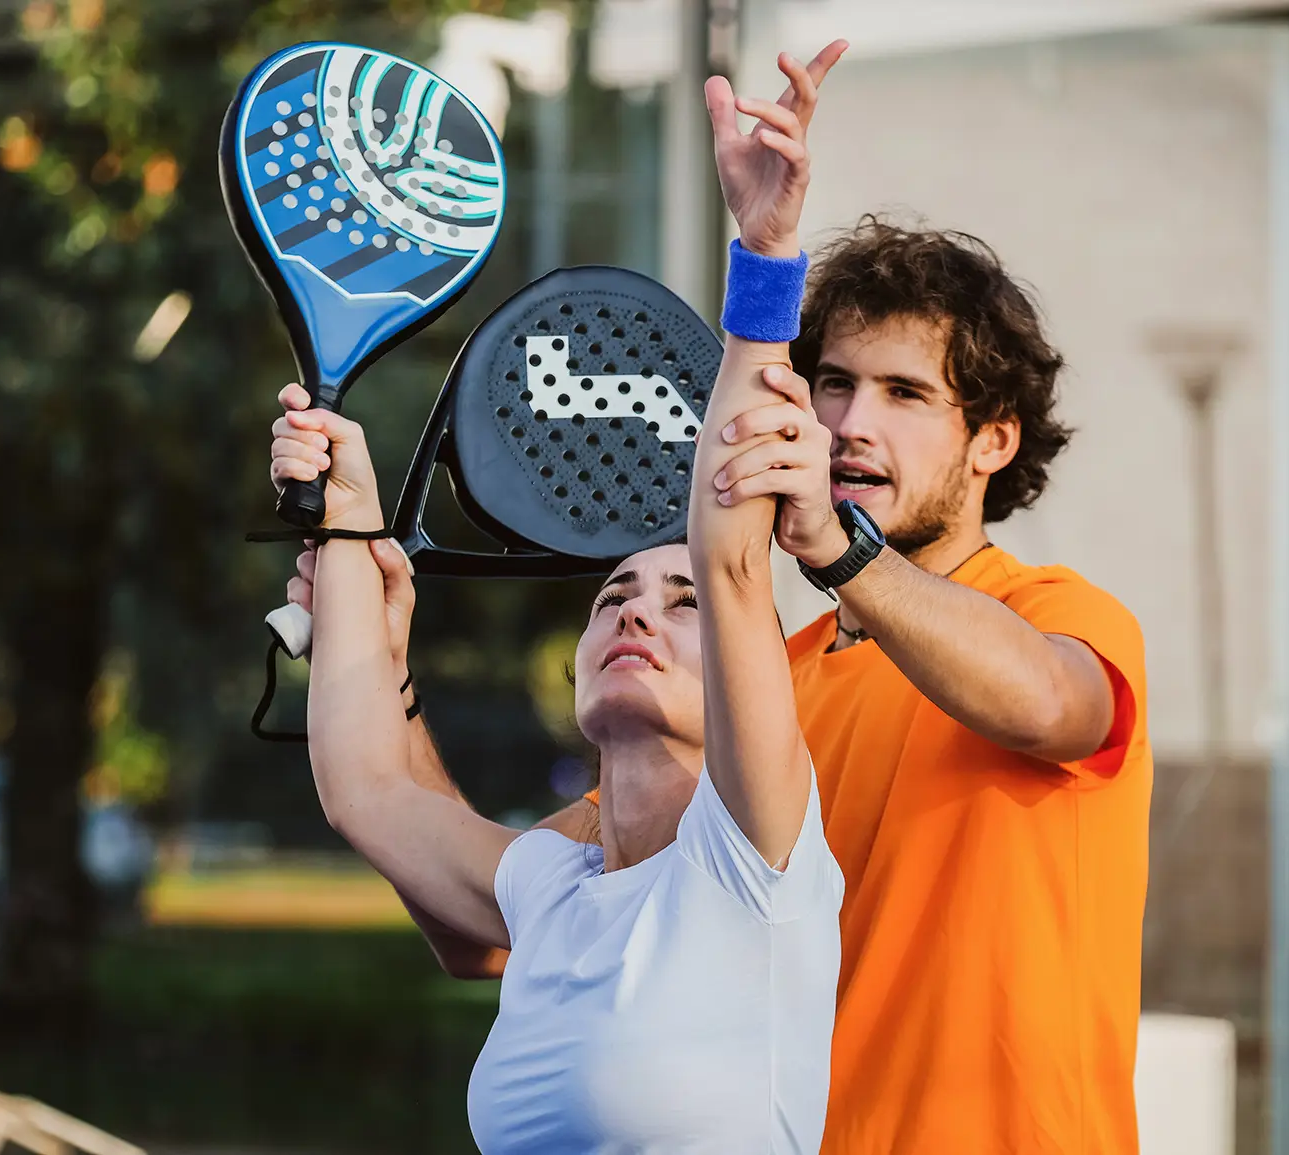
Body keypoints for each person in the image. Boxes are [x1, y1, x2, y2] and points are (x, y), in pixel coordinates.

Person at [354, 38, 1154, 1155]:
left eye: (905, 394)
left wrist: (835, 547)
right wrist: (379, 663)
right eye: (832, 384)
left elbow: (1049, 703)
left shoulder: (1059, 611)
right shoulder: (760, 684)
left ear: (993, 442)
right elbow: (491, 921)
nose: (851, 424)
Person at [268, 44, 852, 1155]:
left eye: (678, 604)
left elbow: (731, 552)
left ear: (746, 666)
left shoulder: (756, 861)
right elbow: (366, 786)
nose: (636, 608)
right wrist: (347, 510)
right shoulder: (552, 889)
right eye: (613, 595)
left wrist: (766, 255)